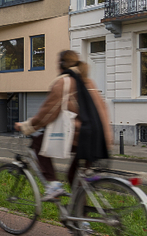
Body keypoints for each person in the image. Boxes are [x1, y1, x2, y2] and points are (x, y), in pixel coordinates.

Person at [15, 50, 112, 202]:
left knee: (38, 142)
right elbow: (103, 109)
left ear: (61, 65)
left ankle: (53, 185)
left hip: (83, 137)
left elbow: (47, 114)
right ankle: (81, 222)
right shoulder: (89, 82)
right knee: (75, 177)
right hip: (100, 138)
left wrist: (26, 126)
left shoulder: (64, 82)